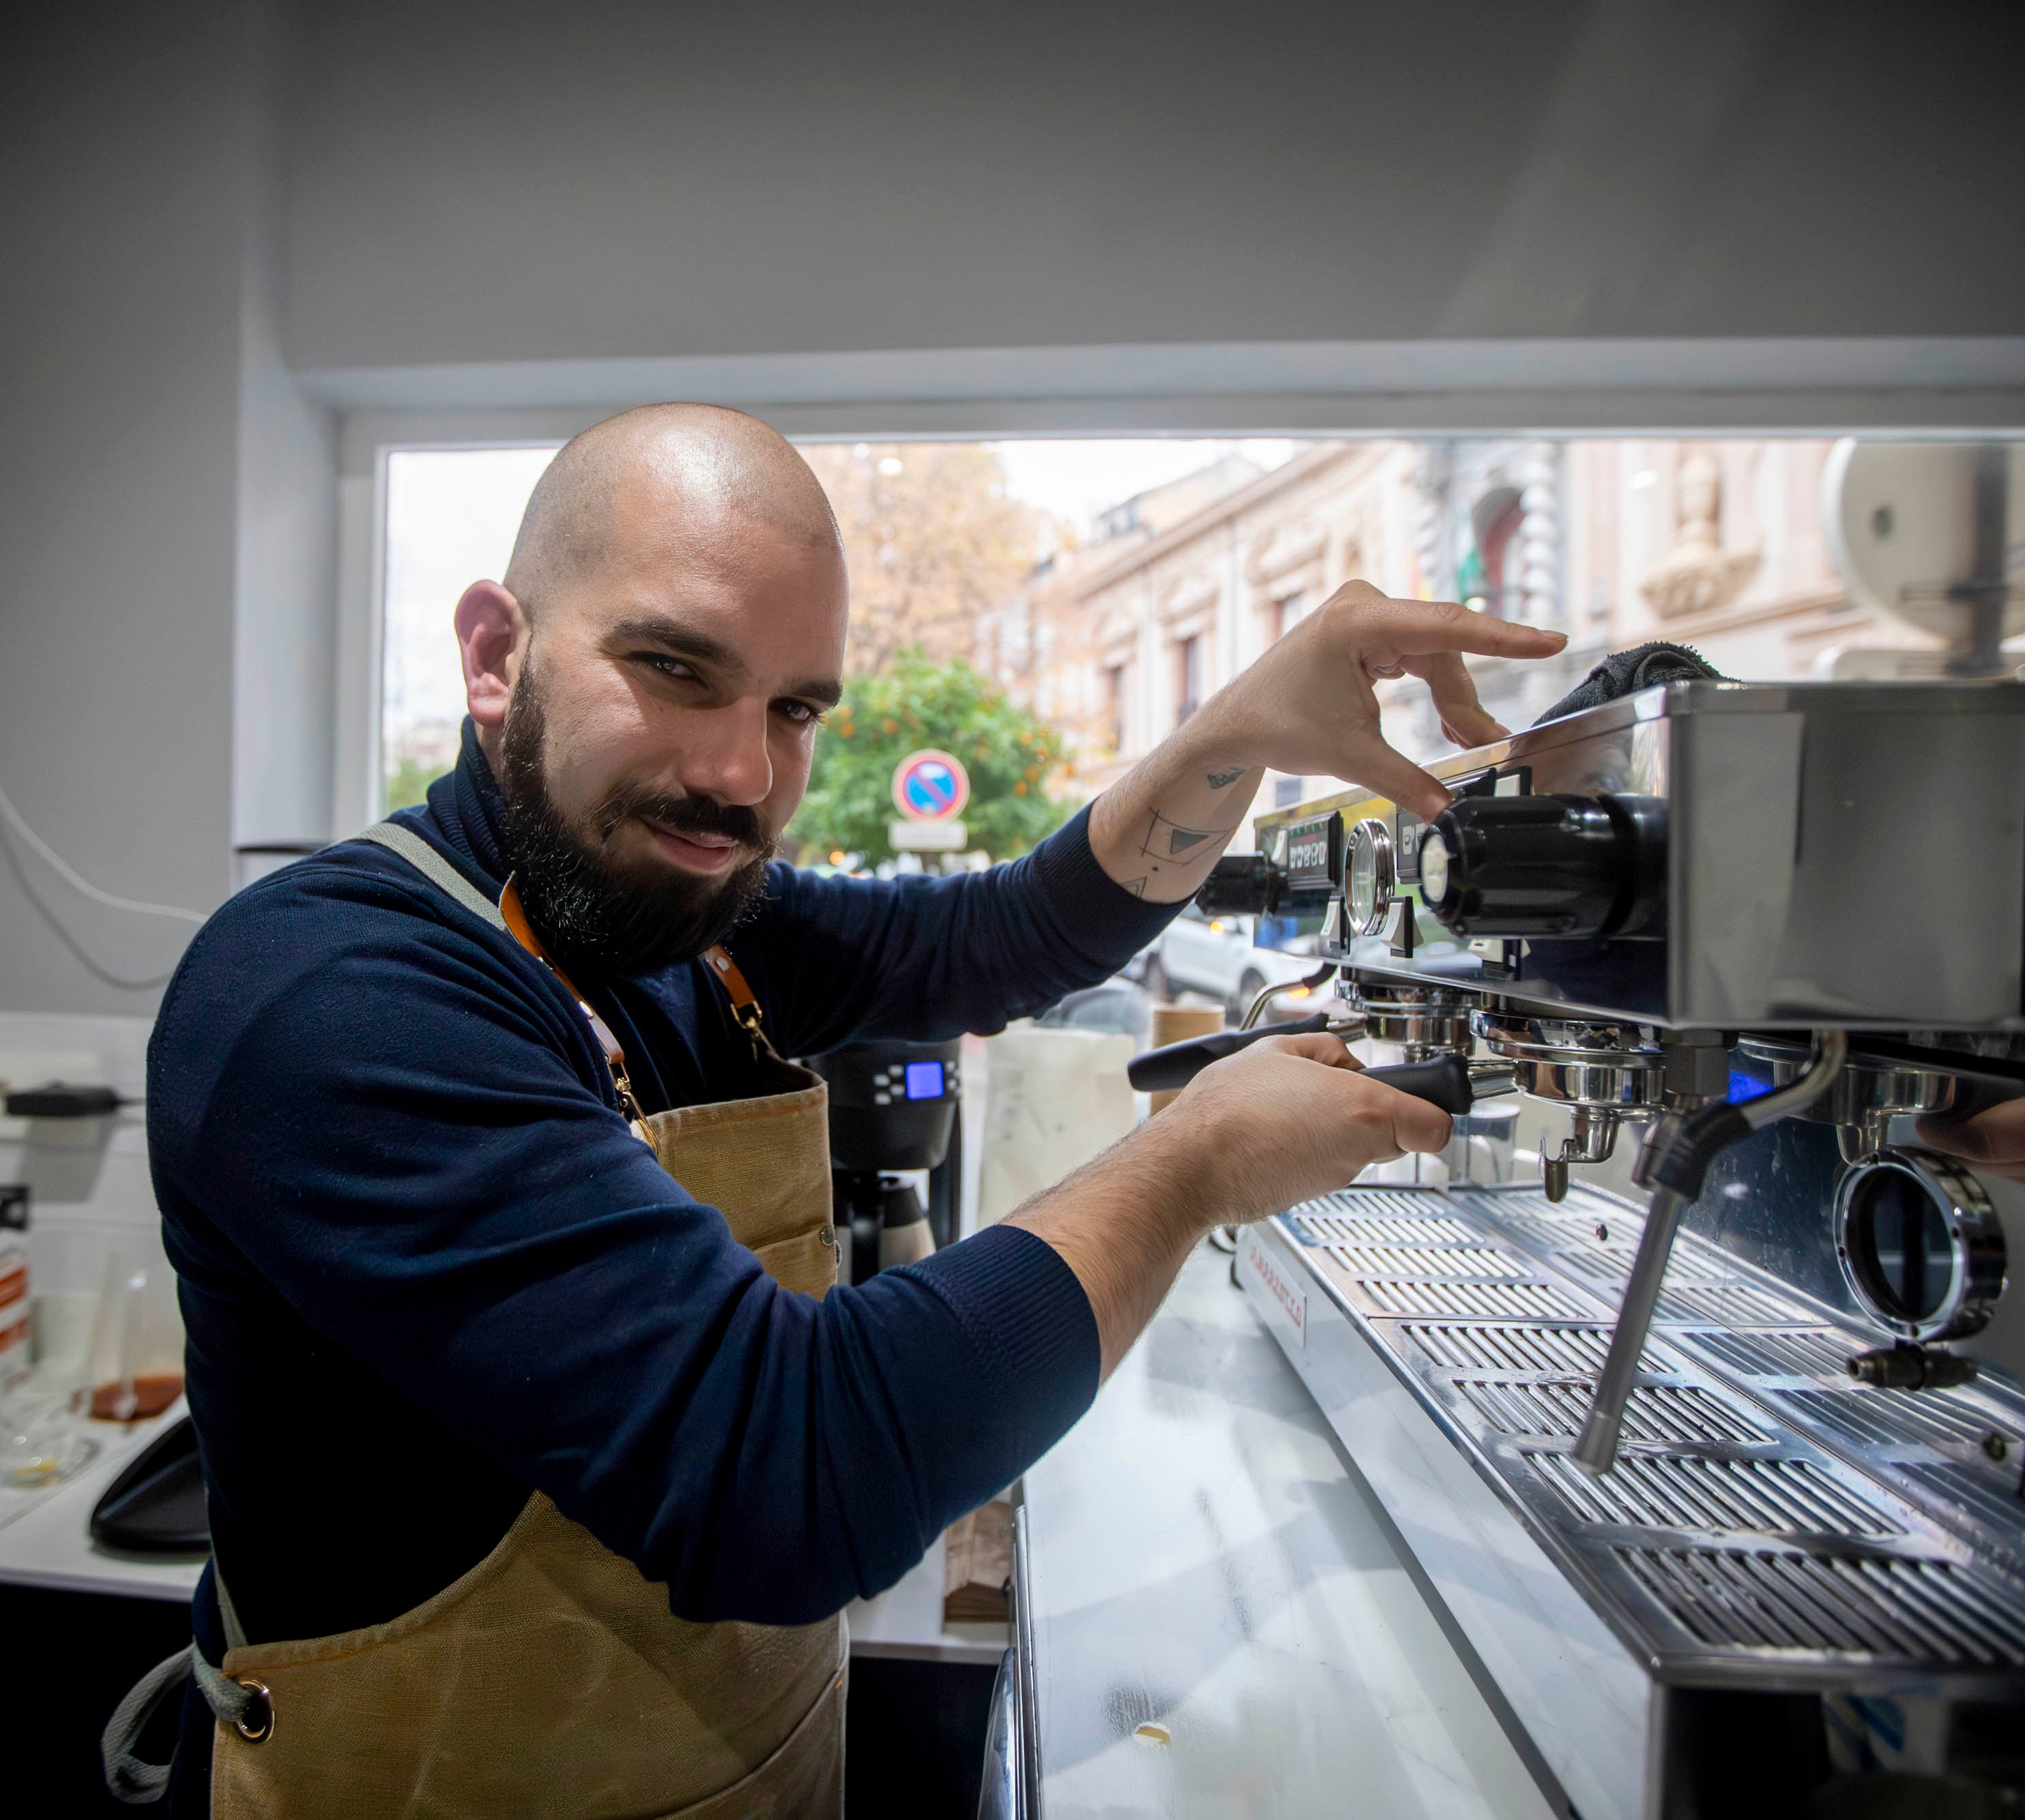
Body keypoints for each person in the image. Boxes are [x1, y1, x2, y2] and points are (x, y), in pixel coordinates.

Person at [108, 404, 1565, 1817]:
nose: (742, 774)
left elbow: (983, 941)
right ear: (496, 656)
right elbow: (785, 1468)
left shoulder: (668, 912)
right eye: (676, 668)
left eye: (792, 708)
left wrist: (1230, 732)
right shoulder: (336, 990)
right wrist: (1189, 1163)